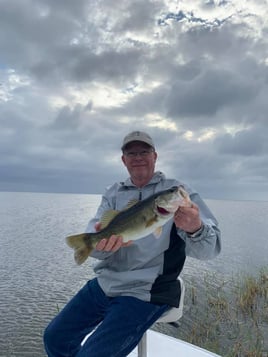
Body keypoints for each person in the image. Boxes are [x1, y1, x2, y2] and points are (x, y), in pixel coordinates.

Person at [44, 130, 221, 357]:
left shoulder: (178, 191)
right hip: (107, 283)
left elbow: (209, 250)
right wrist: (98, 245)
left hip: (148, 290)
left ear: (155, 156)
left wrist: (195, 228)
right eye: (131, 152)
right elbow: (95, 234)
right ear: (123, 160)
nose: (138, 157)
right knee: (55, 337)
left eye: (144, 151)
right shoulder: (113, 192)